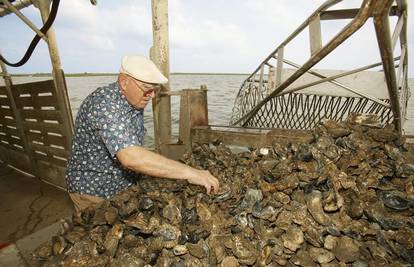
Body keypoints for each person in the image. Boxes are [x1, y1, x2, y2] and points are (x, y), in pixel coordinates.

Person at [65, 55, 219, 213]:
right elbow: (130, 157)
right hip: (93, 190)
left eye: (155, 89)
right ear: (124, 82)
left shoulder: (132, 99)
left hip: (123, 186)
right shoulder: (104, 104)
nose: (152, 95)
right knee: (93, 230)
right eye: (147, 89)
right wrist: (190, 172)